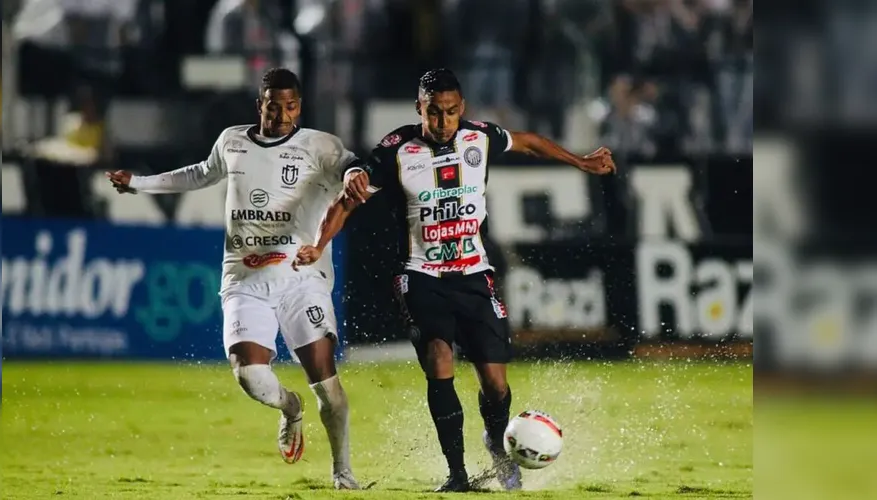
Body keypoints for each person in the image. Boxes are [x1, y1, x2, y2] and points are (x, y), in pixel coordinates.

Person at [293, 68, 615, 492]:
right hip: (421, 276)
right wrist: (318, 244)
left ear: (461, 108)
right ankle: (458, 474)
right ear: (418, 109)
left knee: (496, 385)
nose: (443, 122)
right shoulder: (396, 149)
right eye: (433, 112)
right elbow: (347, 200)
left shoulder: (479, 137)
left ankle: (498, 448)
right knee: (439, 361)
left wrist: (580, 161)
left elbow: (529, 142)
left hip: (475, 275)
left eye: (449, 112)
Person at [106, 68, 361, 490]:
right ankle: (289, 406)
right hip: (244, 275)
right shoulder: (233, 141)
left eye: (291, 106)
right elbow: (198, 173)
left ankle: (343, 473)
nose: (282, 115)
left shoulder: (319, 145)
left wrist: (355, 176)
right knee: (251, 377)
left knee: (325, 377)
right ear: (259, 104)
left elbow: (354, 169)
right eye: (273, 106)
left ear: (300, 106)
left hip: (301, 278)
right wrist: (141, 184)